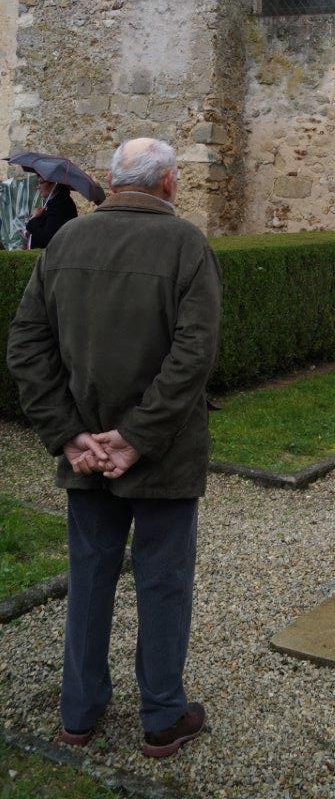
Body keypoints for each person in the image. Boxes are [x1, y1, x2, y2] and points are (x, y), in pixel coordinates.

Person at [7, 138, 222, 759]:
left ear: (112, 180)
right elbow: (193, 358)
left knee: (91, 578)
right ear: (171, 185)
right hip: (161, 457)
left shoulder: (66, 242)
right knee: (163, 583)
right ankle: (161, 717)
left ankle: (79, 713)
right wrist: (133, 439)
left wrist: (73, 436)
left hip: (87, 455)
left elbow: (26, 347)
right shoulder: (187, 246)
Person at [26, 177, 77, 248]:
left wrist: (33, 219)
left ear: (54, 184)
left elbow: (47, 239)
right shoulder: (54, 203)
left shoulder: (60, 205)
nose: (38, 187)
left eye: (41, 182)